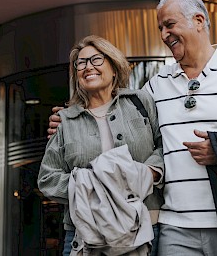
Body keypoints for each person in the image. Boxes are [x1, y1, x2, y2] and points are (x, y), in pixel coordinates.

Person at [49, 0, 217, 255]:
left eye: (169, 25)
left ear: (198, 20)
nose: (163, 35)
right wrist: (70, 124)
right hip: (175, 230)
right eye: (160, 28)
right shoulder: (156, 86)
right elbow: (116, 124)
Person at [38, 35, 164, 256]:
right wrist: (92, 185)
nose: (88, 67)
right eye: (81, 63)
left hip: (146, 229)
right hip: (85, 234)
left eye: (96, 59)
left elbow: (165, 146)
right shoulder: (66, 120)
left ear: (114, 67)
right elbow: (47, 178)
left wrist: (149, 173)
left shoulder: (140, 102)